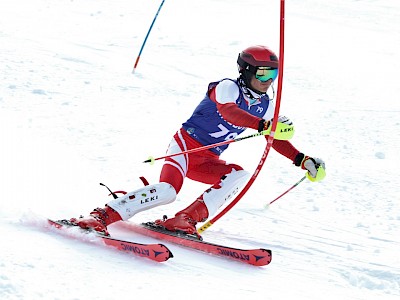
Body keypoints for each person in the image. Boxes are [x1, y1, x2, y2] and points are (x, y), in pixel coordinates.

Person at [70, 45, 326, 237]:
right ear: (246, 71)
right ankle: (102, 215)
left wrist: (302, 160)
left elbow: (274, 138)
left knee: (239, 175)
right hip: (184, 147)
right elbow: (229, 111)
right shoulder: (227, 87)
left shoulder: (265, 105)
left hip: (207, 160)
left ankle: (184, 220)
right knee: (167, 192)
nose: (267, 80)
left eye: (273, 73)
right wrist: (264, 125)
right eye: (262, 73)